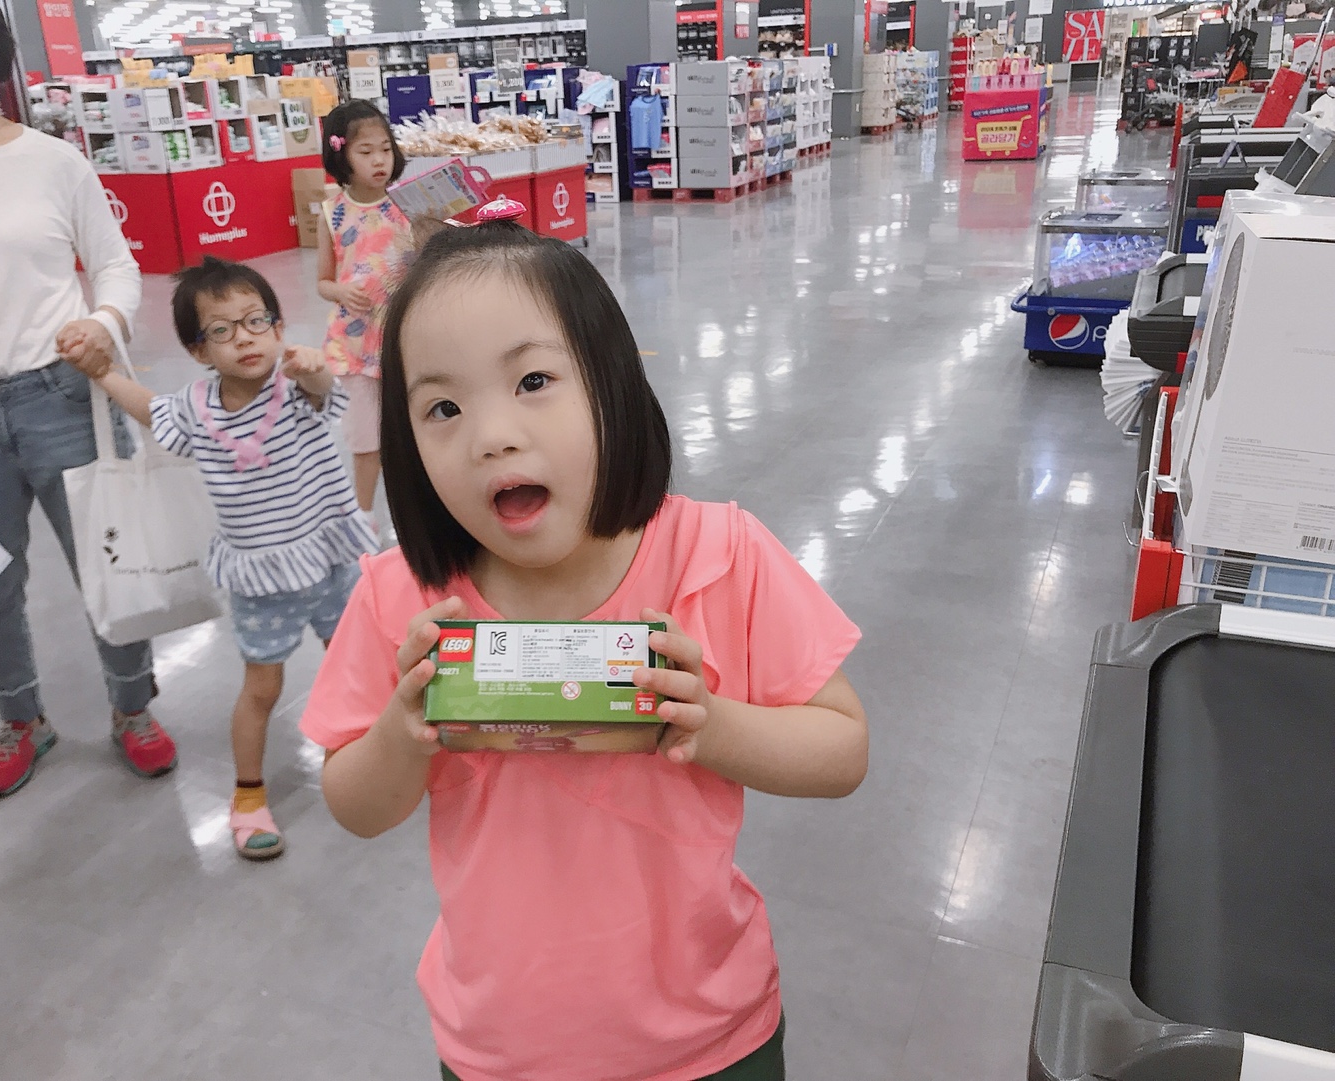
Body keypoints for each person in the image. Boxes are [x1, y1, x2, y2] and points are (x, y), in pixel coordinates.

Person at [300, 214, 870, 1080]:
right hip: (500, 1048)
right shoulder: (403, 598)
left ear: (611, 384)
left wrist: (710, 724)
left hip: (712, 1039)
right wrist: (400, 732)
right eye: (443, 407)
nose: (491, 435)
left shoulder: (717, 555)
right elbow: (354, 804)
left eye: (533, 380)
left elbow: (843, 749)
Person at [0, 0, 177, 797]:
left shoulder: (54, 162)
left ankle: (133, 708)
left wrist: (103, 322)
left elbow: (115, 265)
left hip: (63, 396)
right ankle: (20, 718)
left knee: (109, 567)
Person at [75, 257, 378, 861]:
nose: (244, 337)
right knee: (262, 689)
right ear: (198, 350)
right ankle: (247, 794)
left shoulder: (298, 388)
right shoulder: (195, 409)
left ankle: (365, 761)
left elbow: (325, 389)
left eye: (256, 320)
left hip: (332, 561)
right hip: (261, 581)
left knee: (354, 668)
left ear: (278, 326)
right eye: (222, 329)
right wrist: (103, 372)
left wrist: (315, 368)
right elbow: (151, 411)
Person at [314, 100, 413, 544]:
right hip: (353, 345)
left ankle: (415, 518)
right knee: (365, 439)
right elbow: (323, 281)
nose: (379, 161)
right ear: (342, 157)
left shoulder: (406, 204)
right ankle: (362, 520)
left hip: (403, 339)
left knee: (410, 435)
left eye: (385, 149)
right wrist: (340, 292)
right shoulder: (331, 212)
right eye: (366, 152)